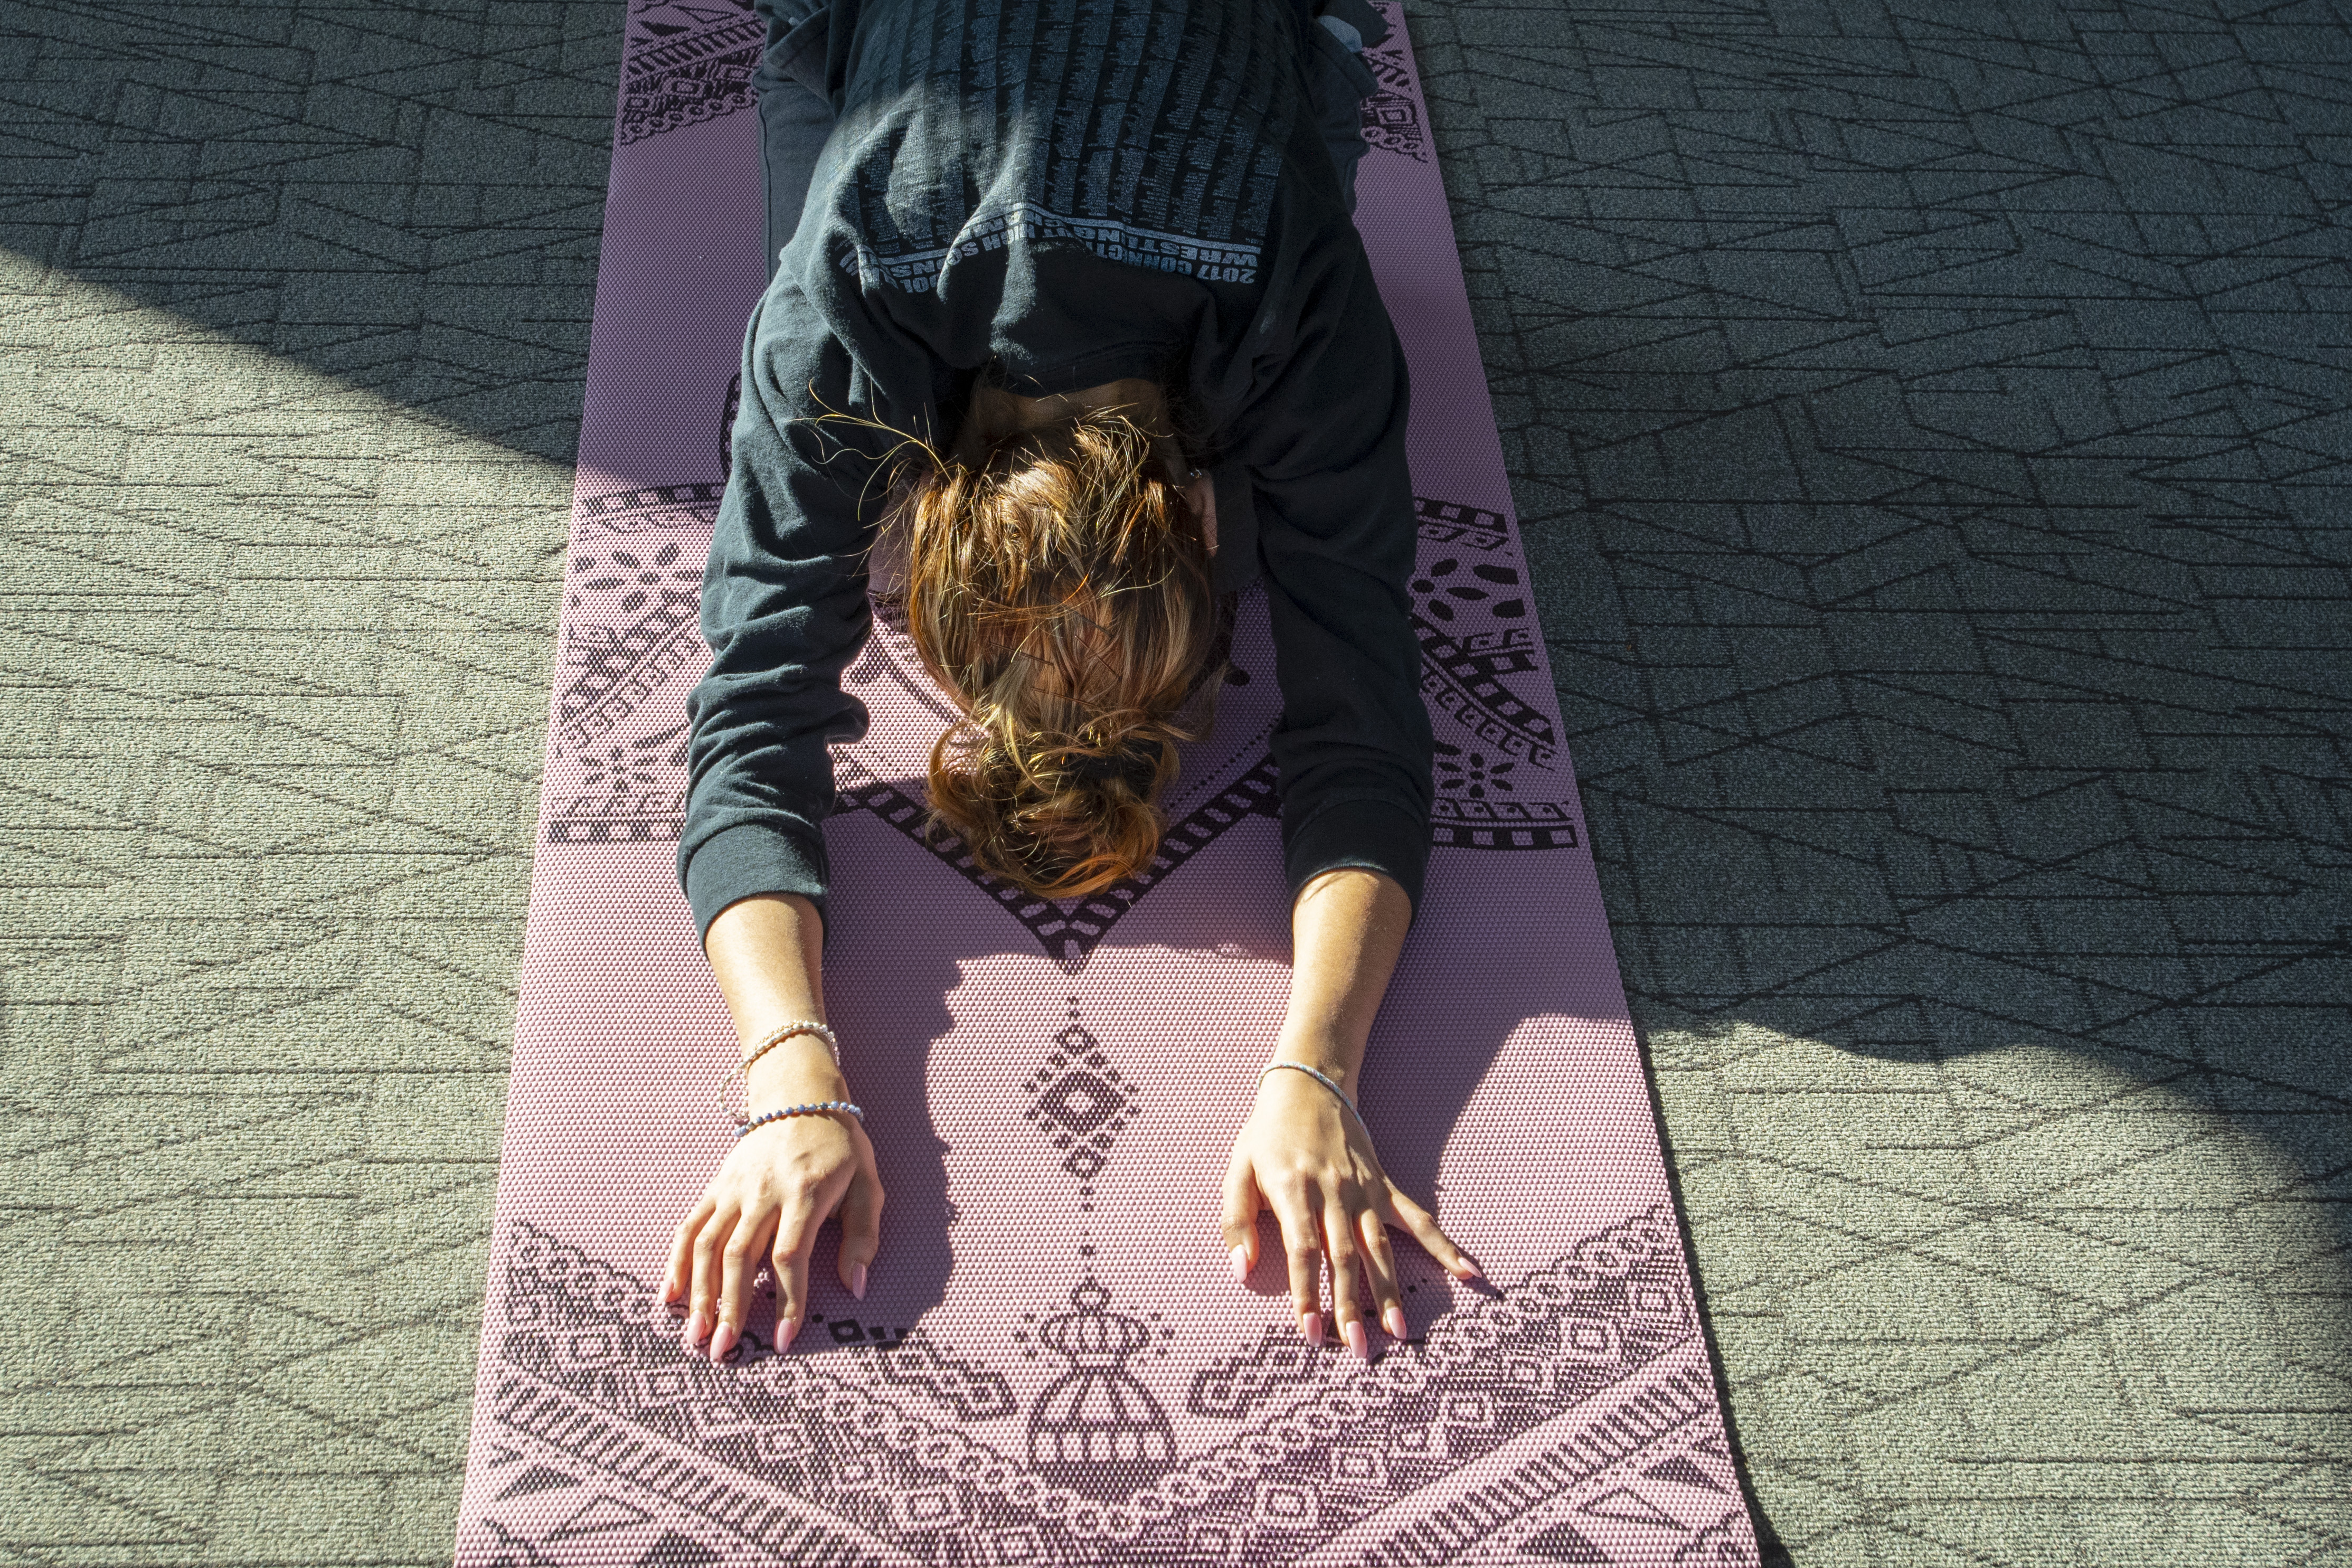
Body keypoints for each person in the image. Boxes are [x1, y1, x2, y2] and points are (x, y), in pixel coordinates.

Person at [661, 0, 1480, 1370]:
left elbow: (1373, 728)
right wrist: (787, 1072)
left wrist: (1320, 1066)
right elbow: (748, 712)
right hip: (958, 167)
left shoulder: (1295, 308)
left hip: (1192, 204)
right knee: (791, 261)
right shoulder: (850, 303)